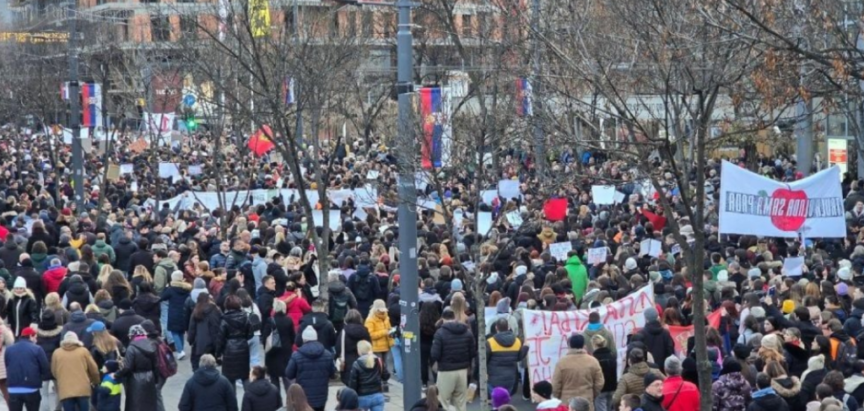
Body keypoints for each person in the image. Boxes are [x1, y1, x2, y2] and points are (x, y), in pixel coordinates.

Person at [431, 308, 475, 411]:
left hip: (446, 371)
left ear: (442, 318)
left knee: (443, 401)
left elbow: (435, 354)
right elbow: (472, 352)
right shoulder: (467, 332)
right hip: (463, 371)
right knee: (460, 401)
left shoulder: (440, 333)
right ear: (455, 317)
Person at [285, 326, 336, 411]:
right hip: (321, 396)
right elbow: (333, 374)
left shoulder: (297, 355)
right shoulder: (327, 354)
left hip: (303, 397)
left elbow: (289, 374)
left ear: (304, 339)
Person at [551, 334, 604, 410]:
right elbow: (599, 382)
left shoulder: (562, 362)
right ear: (583, 345)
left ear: (569, 345)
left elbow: (556, 385)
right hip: (586, 401)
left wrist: (558, 398)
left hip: (567, 402)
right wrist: (592, 394)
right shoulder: (593, 361)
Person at [51, 331, 100, 411]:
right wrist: (95, 381)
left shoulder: (57, 353)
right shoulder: (83, 351)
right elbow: (94, 369)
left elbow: (54, 371)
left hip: (65, 390)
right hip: (83, 389)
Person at [114, 325, 159, 411]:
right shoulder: (151, 345)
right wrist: (155, 379)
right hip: (150, 378)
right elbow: (156, 365)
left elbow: (127, 367)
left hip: (135, 380)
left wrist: (117, 374)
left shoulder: (131, 348)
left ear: (132, 335)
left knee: (135, 405)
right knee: (149, 404)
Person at [5, 327, 50, 411]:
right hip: (31, 388)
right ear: (31, 336)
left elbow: (7, 364)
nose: (36, 340)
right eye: (35, 337)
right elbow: (45, 368)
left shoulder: (9, 349)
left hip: (13, 388)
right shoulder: (37, 349)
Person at [486, 317, 527, 395]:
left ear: (496, 327)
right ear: (508, 327)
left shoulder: (490, 342)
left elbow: (484, 360)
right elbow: (518, 358)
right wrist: (526, 348)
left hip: (494, 378)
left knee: (497, 400)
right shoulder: (517, 341)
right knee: (505, 399)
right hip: (510, 378)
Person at [219, 294, 253, 386]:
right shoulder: (245, 317)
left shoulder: (224, 319)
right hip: (243, 348)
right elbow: (250, 334)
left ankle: (232, 399)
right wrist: (243, 338)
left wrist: (218, 353)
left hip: (229, 349)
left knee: (229, 379)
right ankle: (249, 397)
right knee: (245, 376)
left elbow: (220, 338)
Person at [264, 299, 295, 392]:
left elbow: (265, 336)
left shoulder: (270, 320)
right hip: (286, 351)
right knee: (287, 378)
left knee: (274, 379)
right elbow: (292, 336)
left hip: (273, 352)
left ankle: (277, 401)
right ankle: (290, 400)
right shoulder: (288, 320)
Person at [188, 292, 223, 371]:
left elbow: (192, 329)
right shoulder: (215, 310)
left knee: (197, 367)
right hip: (211, 344)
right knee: (211, 367)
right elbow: (217, 327)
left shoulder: (196, 312)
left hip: (199, 344)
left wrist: (190, 340)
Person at [335, 309, 371, 386]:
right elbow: (370, 345)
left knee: (350, 383)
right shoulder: (365, 330)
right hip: (363, 360)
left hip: (348, 363)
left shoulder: (344, 331)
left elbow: (338, 347)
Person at [161, 271, 192, 360]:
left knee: (174, 332)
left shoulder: (171, 289)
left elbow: (162, 297)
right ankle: (181, 349)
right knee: (181, 332)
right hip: (184, 313)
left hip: (173, 313)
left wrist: (166, 288)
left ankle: (180, 351)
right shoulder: (186, 288)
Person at [348, 340, 386, 411]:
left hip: (362, 397)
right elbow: (386, 376)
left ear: (359, 351)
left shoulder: (356, 364)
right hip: (377, 395)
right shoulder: (378, 361)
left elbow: (353, 384)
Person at [637, 308, 675, 374]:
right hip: (663, 370)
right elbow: (670, 350)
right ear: (657, 317)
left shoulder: (641, 334)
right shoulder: (665, 333)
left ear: (646, 319)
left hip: (647, 371)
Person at [591, 334, 617, 411]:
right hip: (612, 387)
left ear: (594, 344)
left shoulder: (594, 358)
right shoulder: (611, 355)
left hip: (601, 389)